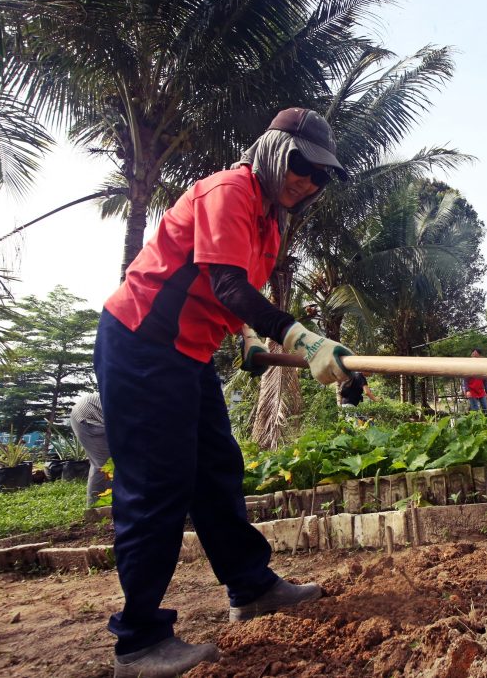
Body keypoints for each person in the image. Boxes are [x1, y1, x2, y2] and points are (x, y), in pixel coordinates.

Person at [95, 108, 352, 678]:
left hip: (187, 351)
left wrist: (254, 340)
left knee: (216, 472)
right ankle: (138, 643)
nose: (307, 179)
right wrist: (298, 335)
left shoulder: (267, 221)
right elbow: (228, 284)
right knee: (158, 484)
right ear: (271, 151)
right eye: (301, 163)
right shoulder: (230, 190)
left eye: (321, 174)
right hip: (143, 343)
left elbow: (222, 295)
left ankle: (252, 587)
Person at [68, 392, 111, 506]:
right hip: (89, 417)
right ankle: (96, 507)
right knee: (104, 464)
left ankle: (108, 502)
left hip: (91, 414)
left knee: (107, 463)